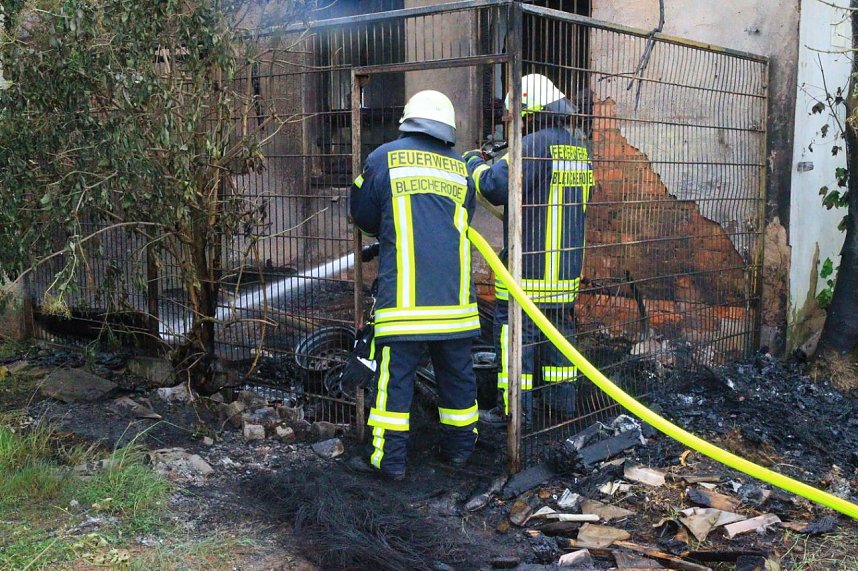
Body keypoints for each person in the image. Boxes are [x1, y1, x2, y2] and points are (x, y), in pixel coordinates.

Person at [349, 90, 480, 480]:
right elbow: (464, 218)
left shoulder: (383, 157)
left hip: (405, 304)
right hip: (455, 304)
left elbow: (363, 215)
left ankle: (388, 463)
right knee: (458, 378)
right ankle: (459, 454)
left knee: (395, 383)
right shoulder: (461, 169)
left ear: (409, 119)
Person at [465, 74, 594, 428]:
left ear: (531, 111)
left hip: (528, 276)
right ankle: (559, 409)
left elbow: (494, 186)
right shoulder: (579, 149)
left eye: (515, 116)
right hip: (564, 275)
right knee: (559, 346)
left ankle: (513, 415)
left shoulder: (534, 146)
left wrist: (473, 165)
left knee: (515, 345)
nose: (513, 124)